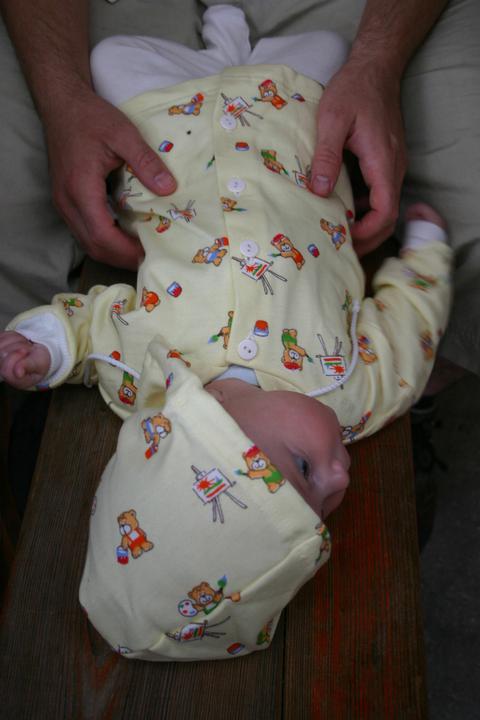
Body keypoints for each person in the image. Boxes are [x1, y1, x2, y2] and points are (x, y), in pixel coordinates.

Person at [0, 6, 452, 661]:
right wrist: (427, 251)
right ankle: (232, 34)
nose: (340, 477)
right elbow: (412, 327)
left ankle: (221, 31)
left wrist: (44, 347)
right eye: (324, 508)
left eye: (305, 471)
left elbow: (92, 328)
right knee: (327, 47)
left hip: (166, 125)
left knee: (112, 61)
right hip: (293, 113)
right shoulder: (351, 395)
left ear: (208, 428)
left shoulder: (149, 378)